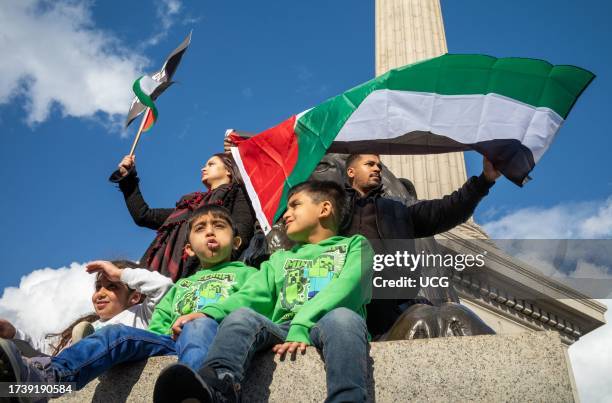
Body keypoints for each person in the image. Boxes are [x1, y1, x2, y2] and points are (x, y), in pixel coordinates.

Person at [153, 180, 374, 403]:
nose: (286, 214)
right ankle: (219, 387)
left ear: (324, 209)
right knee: (241, 317)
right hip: (282, 327)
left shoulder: (357, 245)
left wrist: (303, 324)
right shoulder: (278, 258)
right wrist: (209, 313)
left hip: (330, 322)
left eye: (294, 205)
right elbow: (253, 295)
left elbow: (347, 288)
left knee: (344, 318)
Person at [0, 206, 257, 393]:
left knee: (197, 326)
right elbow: (158, 326)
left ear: (236, 241)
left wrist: (206, 315)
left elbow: (256, 303)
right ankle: (50, 378)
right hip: (170, 344)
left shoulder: (249, 273)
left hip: (214, 342)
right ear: (188, 248)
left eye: (219, 226)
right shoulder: (182, 286)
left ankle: (193, 392)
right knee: (116, 334)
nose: (210, 233)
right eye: (201, 228)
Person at [342, 153, 500, 337]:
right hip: (343, 298)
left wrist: (485, 180)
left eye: (379, 165)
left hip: (389, 305)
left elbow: (447, 209)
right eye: (370, 164)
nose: (377, 168)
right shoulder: (331, 207)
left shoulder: (398, 210)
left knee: (456, 318)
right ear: (351, 171)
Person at [109, 153, 255, 281]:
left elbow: (242, 230)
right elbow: (143, 216)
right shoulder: (189, 205)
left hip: (207, 277)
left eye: (211, 164)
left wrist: (216, 269)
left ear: (229, 170)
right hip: (160, 280)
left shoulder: (239, 193)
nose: (203, 168)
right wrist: (127, 178)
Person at [0, 259, 172, 357]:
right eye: (98, 287)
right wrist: (13, 334)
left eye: (112, 287)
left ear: (134, 297)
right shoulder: (85, 327)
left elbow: (164, 287)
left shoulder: (141, 314)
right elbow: (46, 350)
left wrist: (120, 274)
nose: (101, 293)